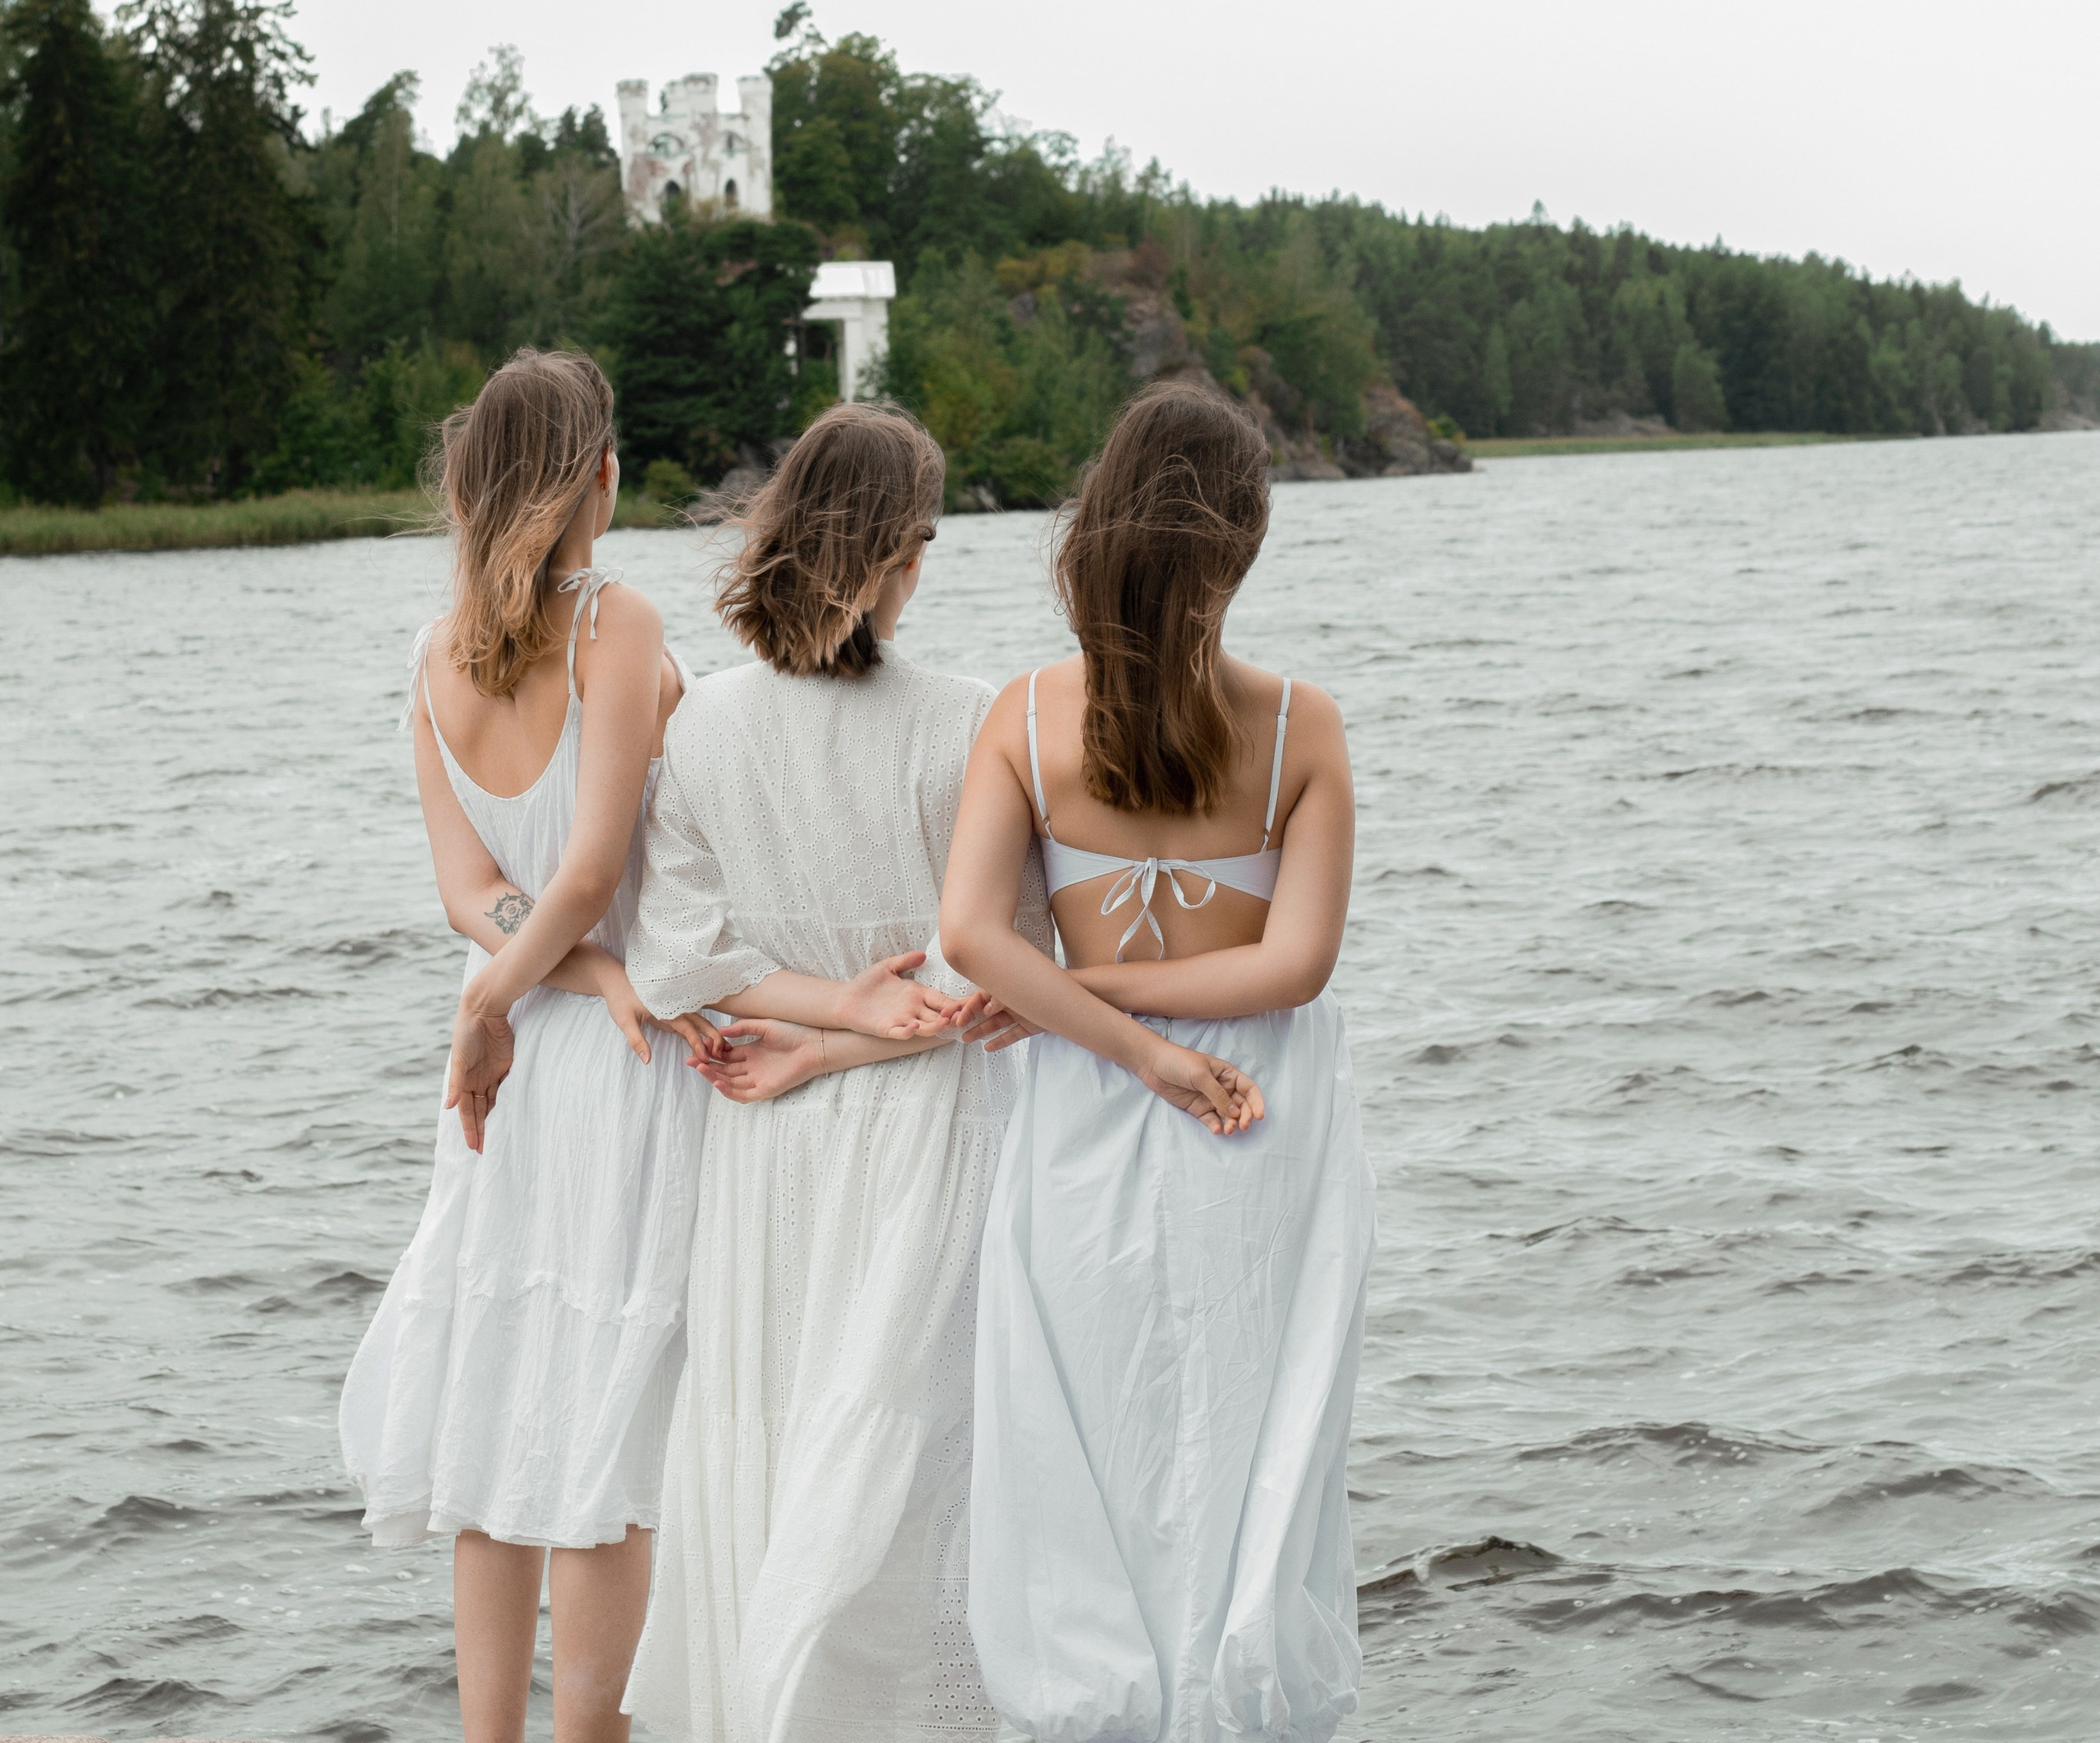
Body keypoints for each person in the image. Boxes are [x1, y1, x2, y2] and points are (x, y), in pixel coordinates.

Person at [940, 382, 1377, 1743]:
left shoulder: (1022, 718)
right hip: (1264, 1110)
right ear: (1240, 544)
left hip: (1083, 1098)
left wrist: (1106, 1017)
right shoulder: (1299, 722)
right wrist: (1169, 1044)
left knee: (1091, 1436)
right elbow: (1295, 967)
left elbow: (967, 936)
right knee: (1262, 1431)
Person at [619, 402, 1049, 1743]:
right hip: (932, 1135)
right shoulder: (974, 720)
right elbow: (1008, 973)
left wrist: (815, 1035)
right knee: (922, 1462)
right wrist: (861, 1023)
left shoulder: (703, 727)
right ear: (897, 557)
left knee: (776, 1432)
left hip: (769, 1141)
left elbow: (677, 960)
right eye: (920, 543)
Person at [340, 350, 710, 1743]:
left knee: (502, 1402)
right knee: (603, 1419)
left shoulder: (438, 653)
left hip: (513, 1065)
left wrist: (507, 989)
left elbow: (471, 893)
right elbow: (598, 858)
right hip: (609, 1061)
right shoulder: (615, 620)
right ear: (595, 480)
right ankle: (584, 1738)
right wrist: (582, 971)